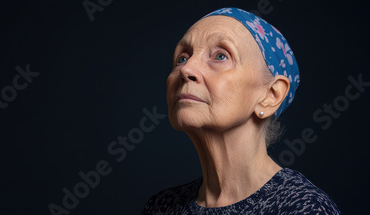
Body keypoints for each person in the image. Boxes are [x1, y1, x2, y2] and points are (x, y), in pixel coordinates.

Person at [142, 7, 340, 214]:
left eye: (220, 56)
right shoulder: (161, 206)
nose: (186, 69)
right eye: (182, 58)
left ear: (270, 96)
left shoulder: (303, 208)